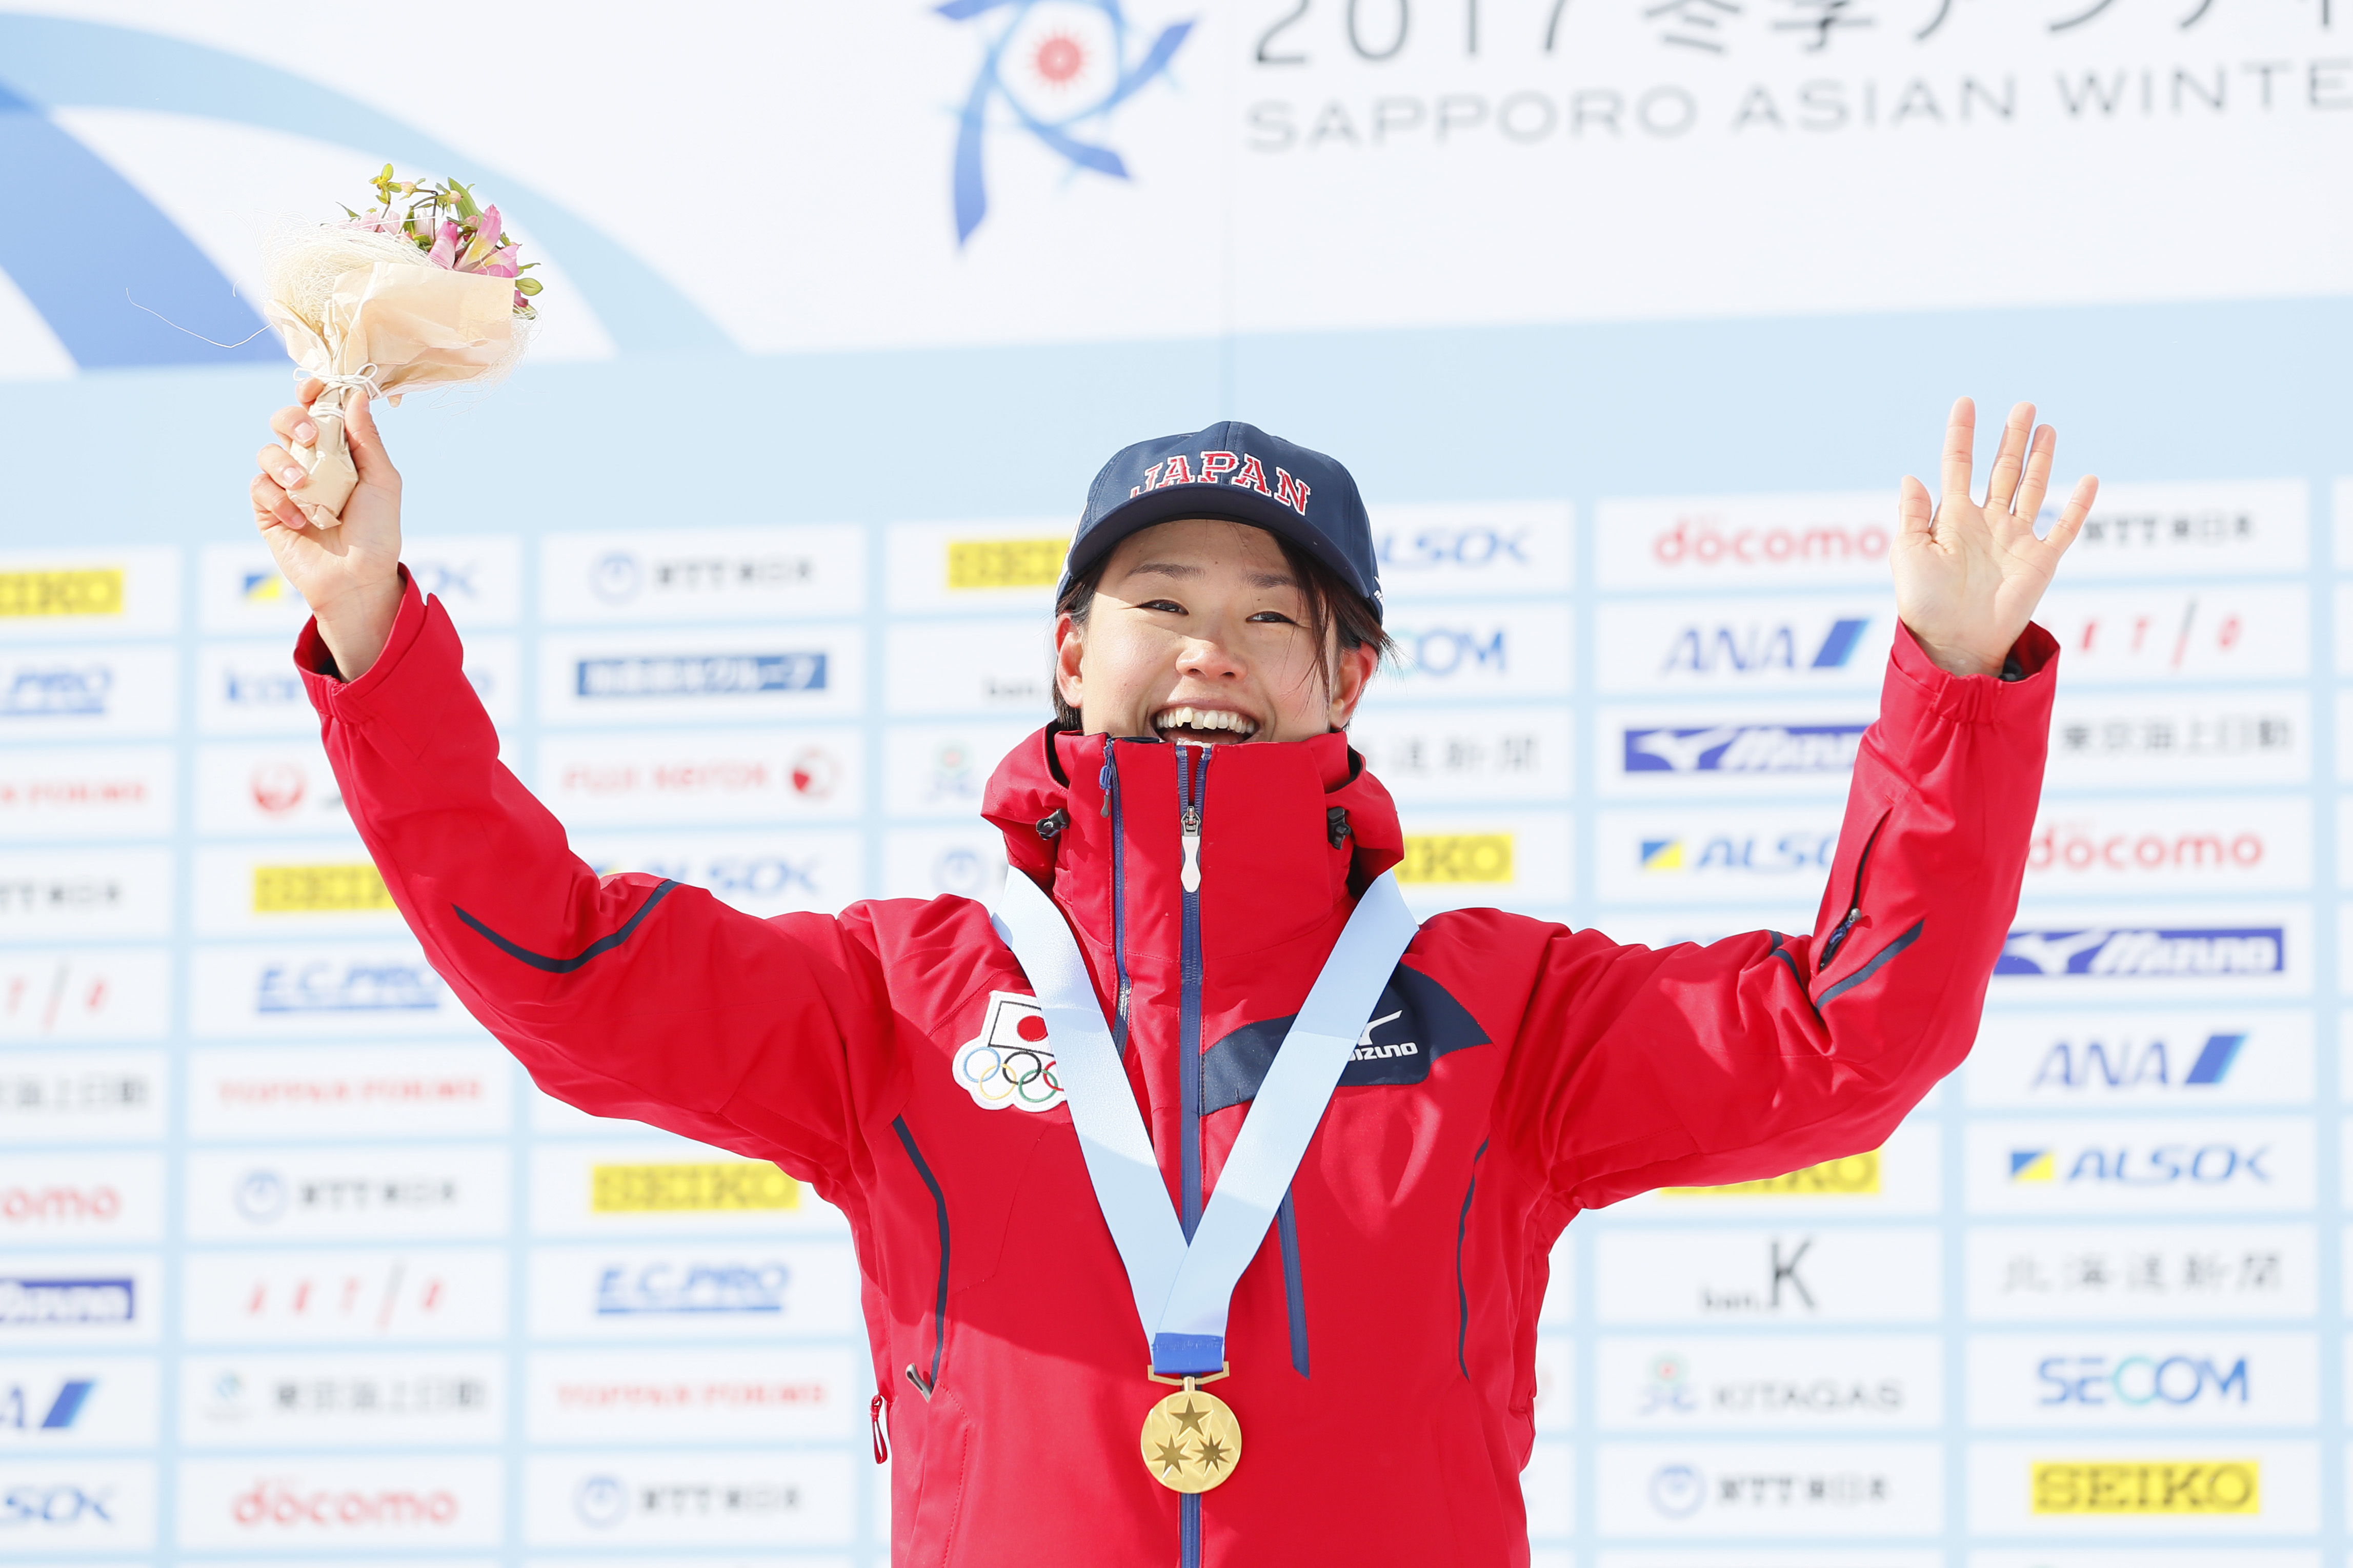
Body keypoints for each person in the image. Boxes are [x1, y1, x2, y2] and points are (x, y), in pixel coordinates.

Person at [250, 393, 2093, 1568]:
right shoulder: (898, 1001)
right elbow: (568, 963)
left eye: (1272, 612)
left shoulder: (1500, 1011)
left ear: (1346, 677)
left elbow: (1853, 1033)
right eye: (1161, 598)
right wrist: (369, 630)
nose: (1212, 643)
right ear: (1070, 647)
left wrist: (1951, 674)